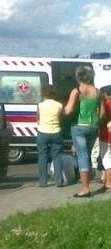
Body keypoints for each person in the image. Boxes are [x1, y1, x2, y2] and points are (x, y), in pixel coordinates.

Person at [64, 65, 103, 198]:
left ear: (78, 76)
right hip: (93, 126)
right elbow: (102, 114)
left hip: (79, 126)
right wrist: (97, 124)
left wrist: (63, 112)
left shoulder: (77, 91)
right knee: (87, 155)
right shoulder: (98, 92)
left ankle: (85, 188)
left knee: (82, 156)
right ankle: (87, 182)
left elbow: (68, 110)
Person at [37, 85, 64, 187]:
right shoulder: (59, 105)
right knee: (57, 157)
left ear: (44, 93)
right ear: (54, 94)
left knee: (42, 156)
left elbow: (38, 118)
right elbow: (61, 118)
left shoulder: (40, 105)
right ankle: (59, 181)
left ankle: (43, 182)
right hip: (56, 132)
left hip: (42, 132)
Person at [97, 85, 111, 192]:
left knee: (107, 160)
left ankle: (108, 183)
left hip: (106, 136)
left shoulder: (105, 105)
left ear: (105, 94)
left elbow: (101, 119)